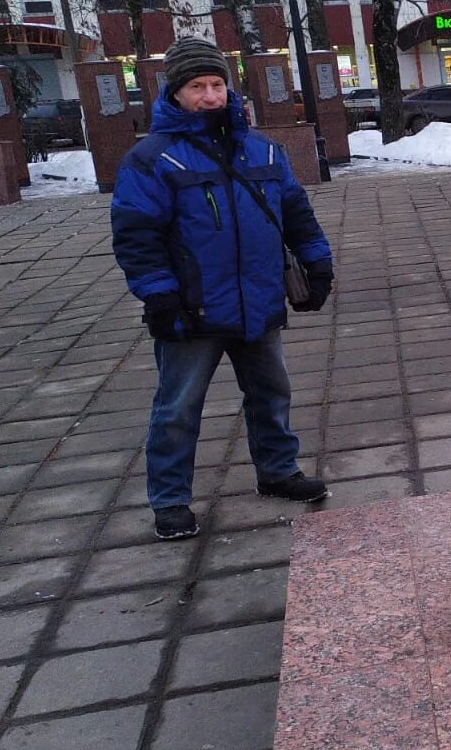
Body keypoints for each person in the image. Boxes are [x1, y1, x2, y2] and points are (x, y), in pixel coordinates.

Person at [111, 37, 334, 541]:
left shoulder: (261, 149)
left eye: (216, 85)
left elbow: (296, 213)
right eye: (197, 87)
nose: (210, 96)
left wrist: (318, 264)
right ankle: (169, 500)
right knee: (178, 408)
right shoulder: (152, 159)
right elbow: (135, 237)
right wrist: (160, 296)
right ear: (174, 93)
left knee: (272, 392)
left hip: (258, 300)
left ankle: (278, 470)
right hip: (192, 309)